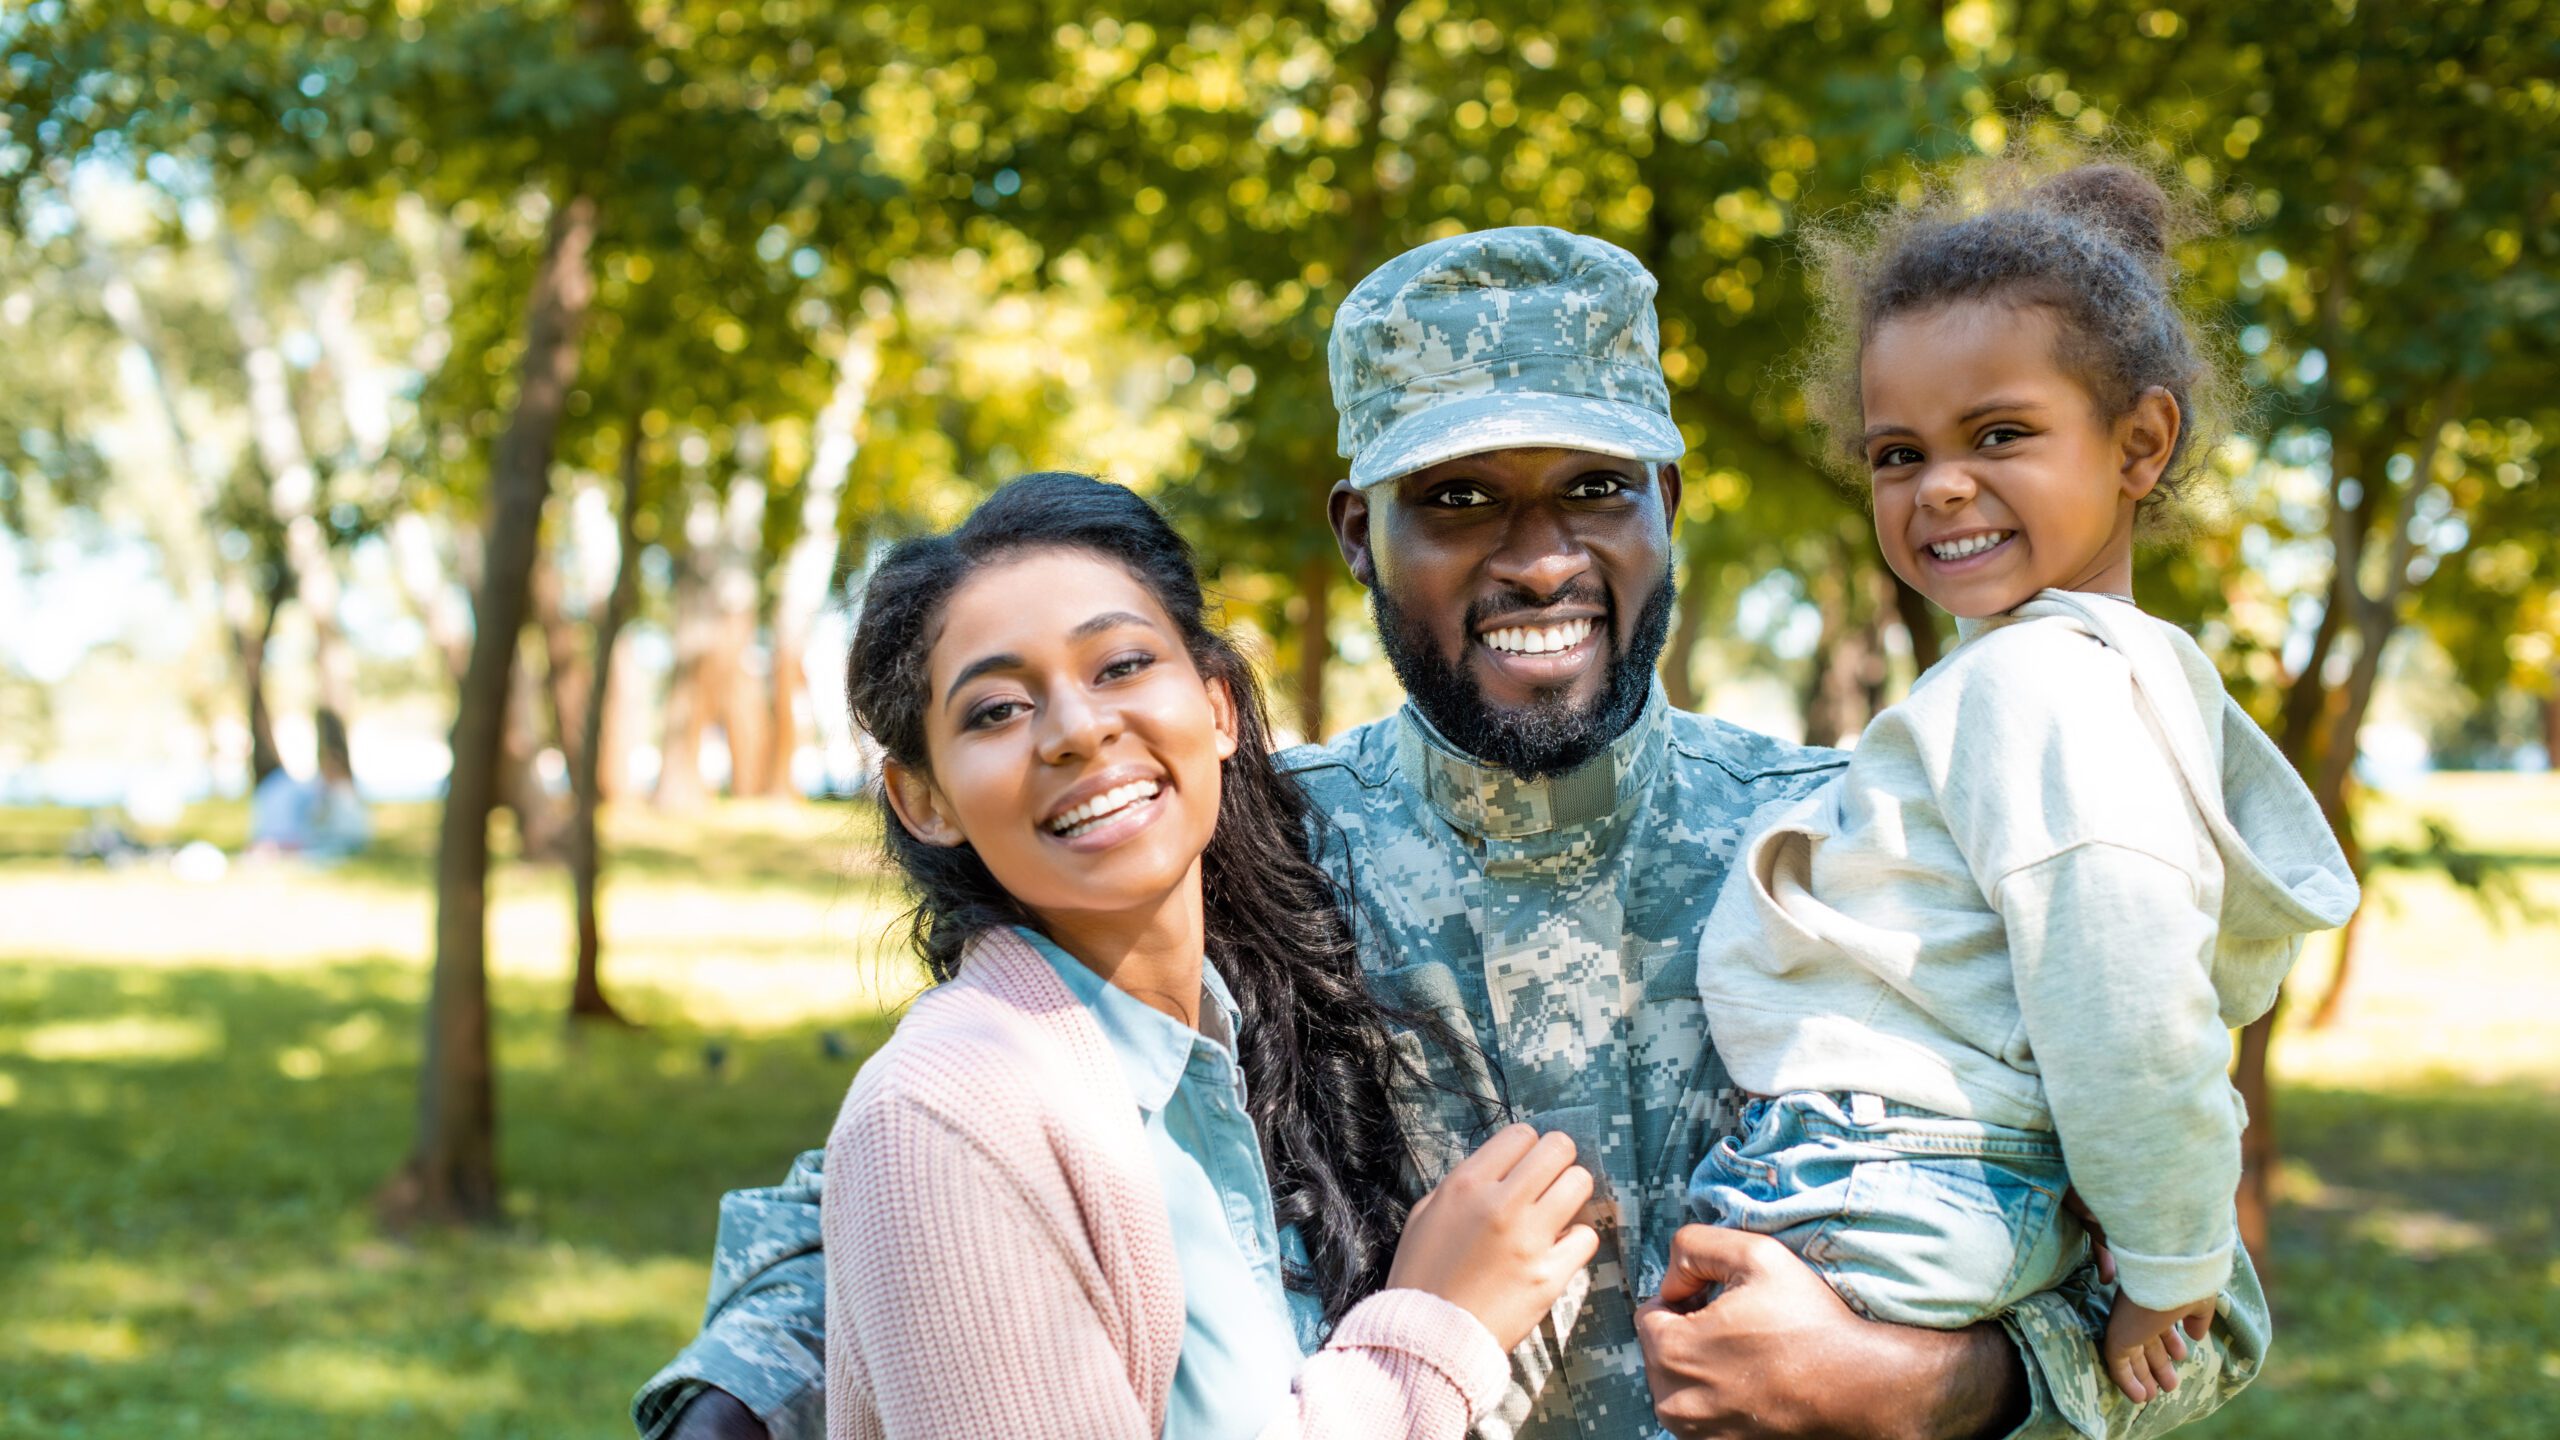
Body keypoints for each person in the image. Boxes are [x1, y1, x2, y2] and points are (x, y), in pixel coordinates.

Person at [636, 226, 2268, 1440]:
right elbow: (935, 1159)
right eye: (1460, 501)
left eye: (1591, 489)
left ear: (1670, 504)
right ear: (1361, 532)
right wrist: (737, 1396)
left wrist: (1927, 1382)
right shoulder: (1246, 860)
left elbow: (2201, 1307)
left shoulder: (1850, 843)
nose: (1537, 555)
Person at [1685, 161, 2358, 1405]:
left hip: (1893, 1181)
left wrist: (2168, 1258)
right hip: (1937, 1181)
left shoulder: (2036, 688)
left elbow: (2126, 1000)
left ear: (2139, 444)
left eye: (1999, 434)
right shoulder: (2074, 682)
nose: (1939, 483)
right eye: (1898, 452)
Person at [816, 470, 1597, 1437]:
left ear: (1219, 708)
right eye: (997, 711)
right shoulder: (943, 1116)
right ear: (922, 799)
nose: (1078, 729)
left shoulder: (1231, 1043)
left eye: (1122, 666)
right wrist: (1434, 1334)